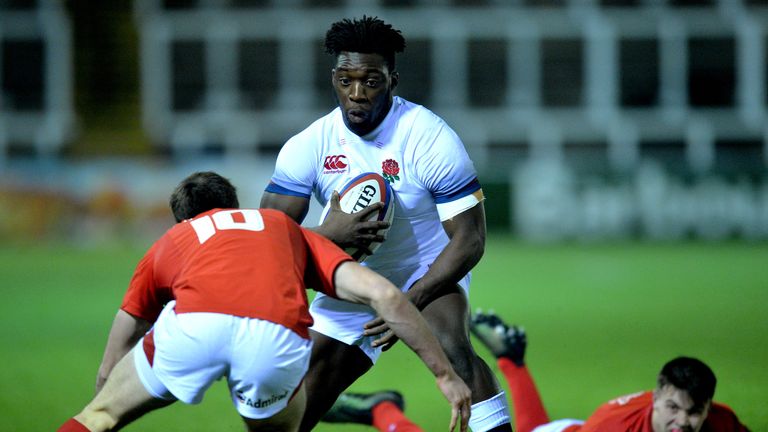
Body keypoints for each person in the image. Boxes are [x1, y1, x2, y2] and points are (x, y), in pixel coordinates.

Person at [57, 171, 471, 432]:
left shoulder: (175, 239)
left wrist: (105, 392)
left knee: (100, 418)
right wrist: (445, 376)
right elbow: (384, 295)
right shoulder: (279, 226)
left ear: (183, 220)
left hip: (195, 326)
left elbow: (127, 328)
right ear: (236, 206)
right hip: (274, 338)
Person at [259, 16, 511, 432]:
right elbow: (267, 240)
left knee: (453, 348)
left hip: (428, 267)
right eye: (345, 80)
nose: (356, 94)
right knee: (294, 402)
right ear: (334, 79)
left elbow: (470, 239)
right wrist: (328, 236)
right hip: (353, 277)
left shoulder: (428, 138)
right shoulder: (309, 146)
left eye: (371, 81)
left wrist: (411, 299)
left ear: (392, 80)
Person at [323, 311, 751, 432]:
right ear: (657, 396)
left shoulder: (723, 422)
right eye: (673, 408)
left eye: (693, 414)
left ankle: (512, 360)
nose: (682, 423)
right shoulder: (616, 423)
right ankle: (384, 412)